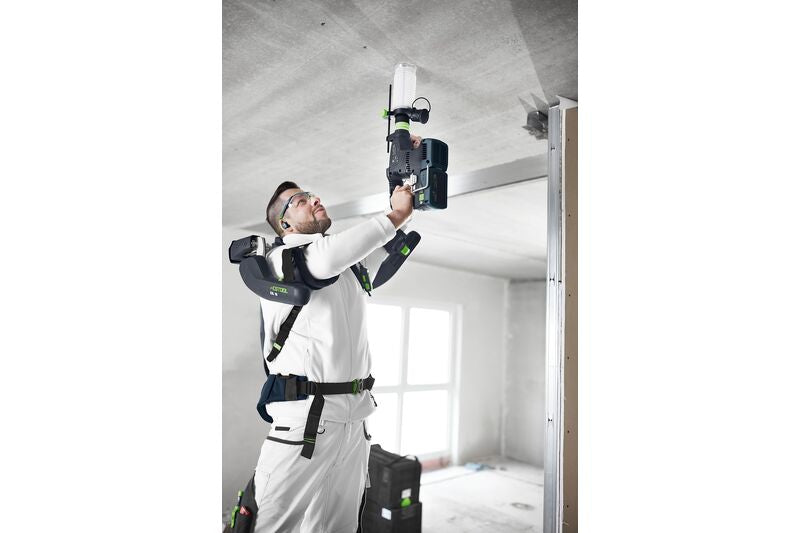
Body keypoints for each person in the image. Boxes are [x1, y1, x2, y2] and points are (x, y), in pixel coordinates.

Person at [251, 142, 418, 533]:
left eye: (312, 194)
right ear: (285, 225)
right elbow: (330, 255)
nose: (315, 199)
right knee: (270, 525)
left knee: (338, 526)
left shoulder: (345, 267)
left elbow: (377, 248)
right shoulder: (282, 259)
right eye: (301, 200)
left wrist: (407, 184)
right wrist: (394, 214)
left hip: (353, 419)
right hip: (304, 420)